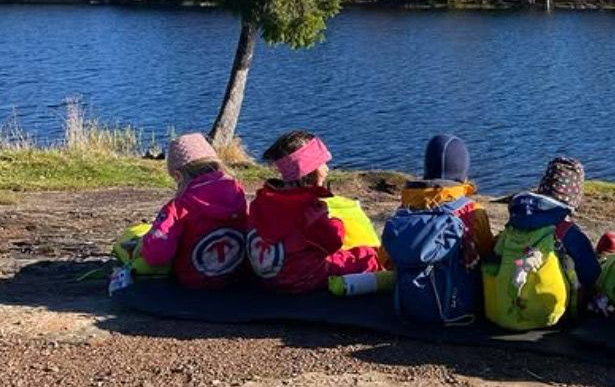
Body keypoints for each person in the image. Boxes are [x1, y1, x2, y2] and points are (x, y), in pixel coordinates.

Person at [246, 130, 380, 293]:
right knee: (367, 256)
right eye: (323, 163)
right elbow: (332, 242)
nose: (327, 169)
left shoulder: (262, 200)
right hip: (302, 278)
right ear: (312, 170)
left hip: (268, 277)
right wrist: (336, 223)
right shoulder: (309, 208)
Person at [381, 134, 493, 323]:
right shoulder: (472, 212)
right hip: (458, 304)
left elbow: (385, 259)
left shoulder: (405, 210)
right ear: (462, 172)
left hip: (407, 305)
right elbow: (487, 253)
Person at [115, 133, 248, 289]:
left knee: (129, 244)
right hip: (237, 275)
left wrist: (143, 245)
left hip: (194, 281)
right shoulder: (239, 194)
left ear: (178, 176)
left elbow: (157, 256)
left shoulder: (178, 208)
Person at [483, 156, 600, 330]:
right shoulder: (566, 231)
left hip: (501, 311)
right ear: (574, 199)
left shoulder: (514, 224)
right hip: (546, 316)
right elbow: (592, 273)